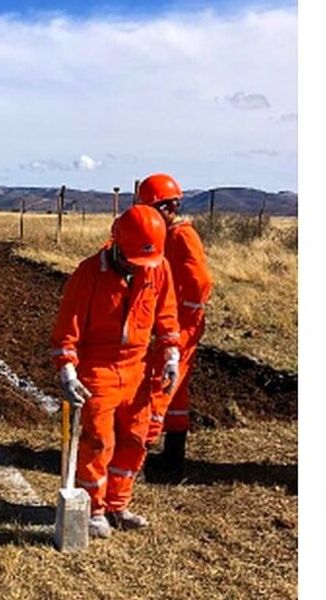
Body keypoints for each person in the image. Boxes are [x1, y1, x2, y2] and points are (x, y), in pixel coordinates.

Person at [50, 204, 180, 539]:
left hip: (138, 370)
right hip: (98, 371)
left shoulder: (157, 268)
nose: (141, 270)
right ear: (118, 243)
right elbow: (67, 330)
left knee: (136, 440)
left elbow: (167, 317)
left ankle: (118, 504)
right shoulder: (88, 274)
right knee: (98, 444)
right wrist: (67, 371)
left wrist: (171, 355)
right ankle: (94, 510)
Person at [137, 173, 214, 482]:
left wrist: (186, 316)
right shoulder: (169, 234)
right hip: (177, 322)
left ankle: (138, 455)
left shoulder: (181, 236)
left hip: (181, 325)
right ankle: (172, 460)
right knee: (175, 388)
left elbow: (200, 282)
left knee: (159, 386)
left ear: (165, 207)